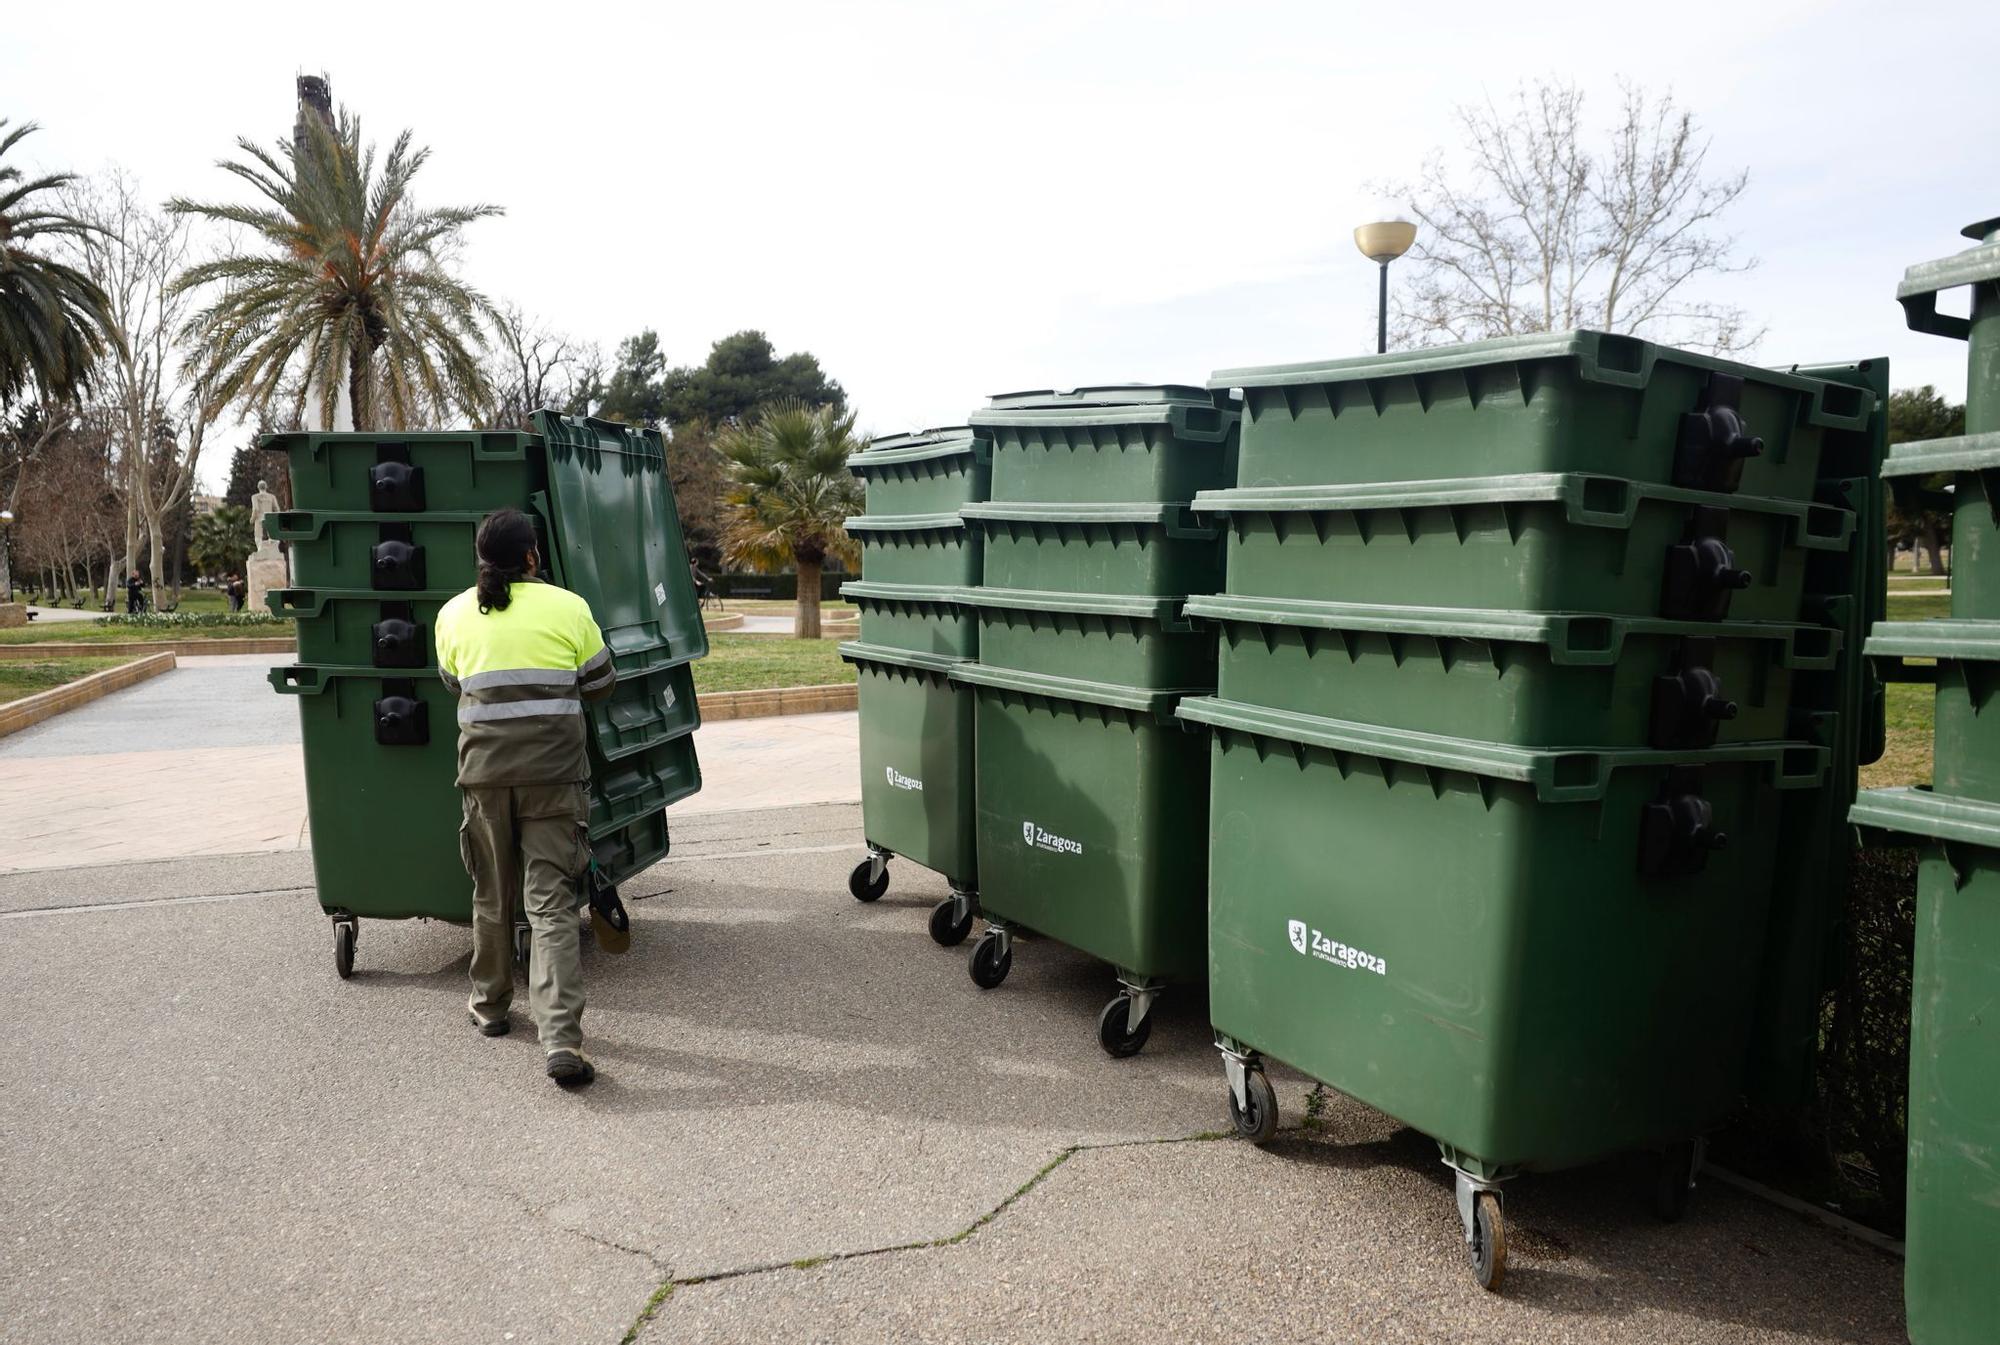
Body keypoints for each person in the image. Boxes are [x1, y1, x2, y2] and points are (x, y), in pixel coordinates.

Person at [434, 509, 617, 1087]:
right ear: (533, 556)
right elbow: (600, 682)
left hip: (484, 777)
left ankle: (490, 1006)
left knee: (491, 893)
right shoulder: (569, 607)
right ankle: (560, 1039)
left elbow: (453, 683)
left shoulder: (453, 614)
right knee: (551, 906)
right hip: (555, 779)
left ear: (481, 559)